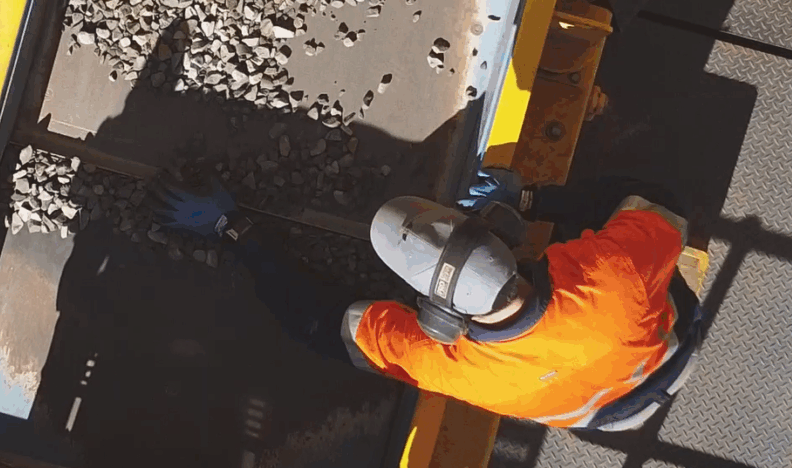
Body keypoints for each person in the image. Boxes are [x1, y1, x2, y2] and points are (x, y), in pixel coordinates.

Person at [149, 167, 703, 432]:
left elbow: (322, 323)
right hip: (659, 350)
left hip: (624, 399)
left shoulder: (446, 365)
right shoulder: (609, 274)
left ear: (441, 321)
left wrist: (232, 228)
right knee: (640, 204)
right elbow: (664, 206)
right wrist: (535, 198)